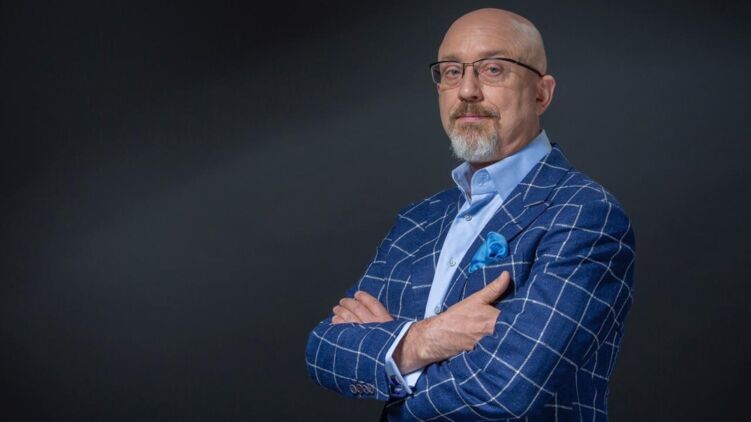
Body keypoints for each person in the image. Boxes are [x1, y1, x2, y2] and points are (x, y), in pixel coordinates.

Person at [305, 8, 635, 421]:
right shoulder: (418, 221)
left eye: (493, 69)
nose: (466, 91)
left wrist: (392, 358)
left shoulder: (586, 214)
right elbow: (324, 350)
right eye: (451, 71)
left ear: (541, 93)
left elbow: (505, 389)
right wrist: (428, 338)